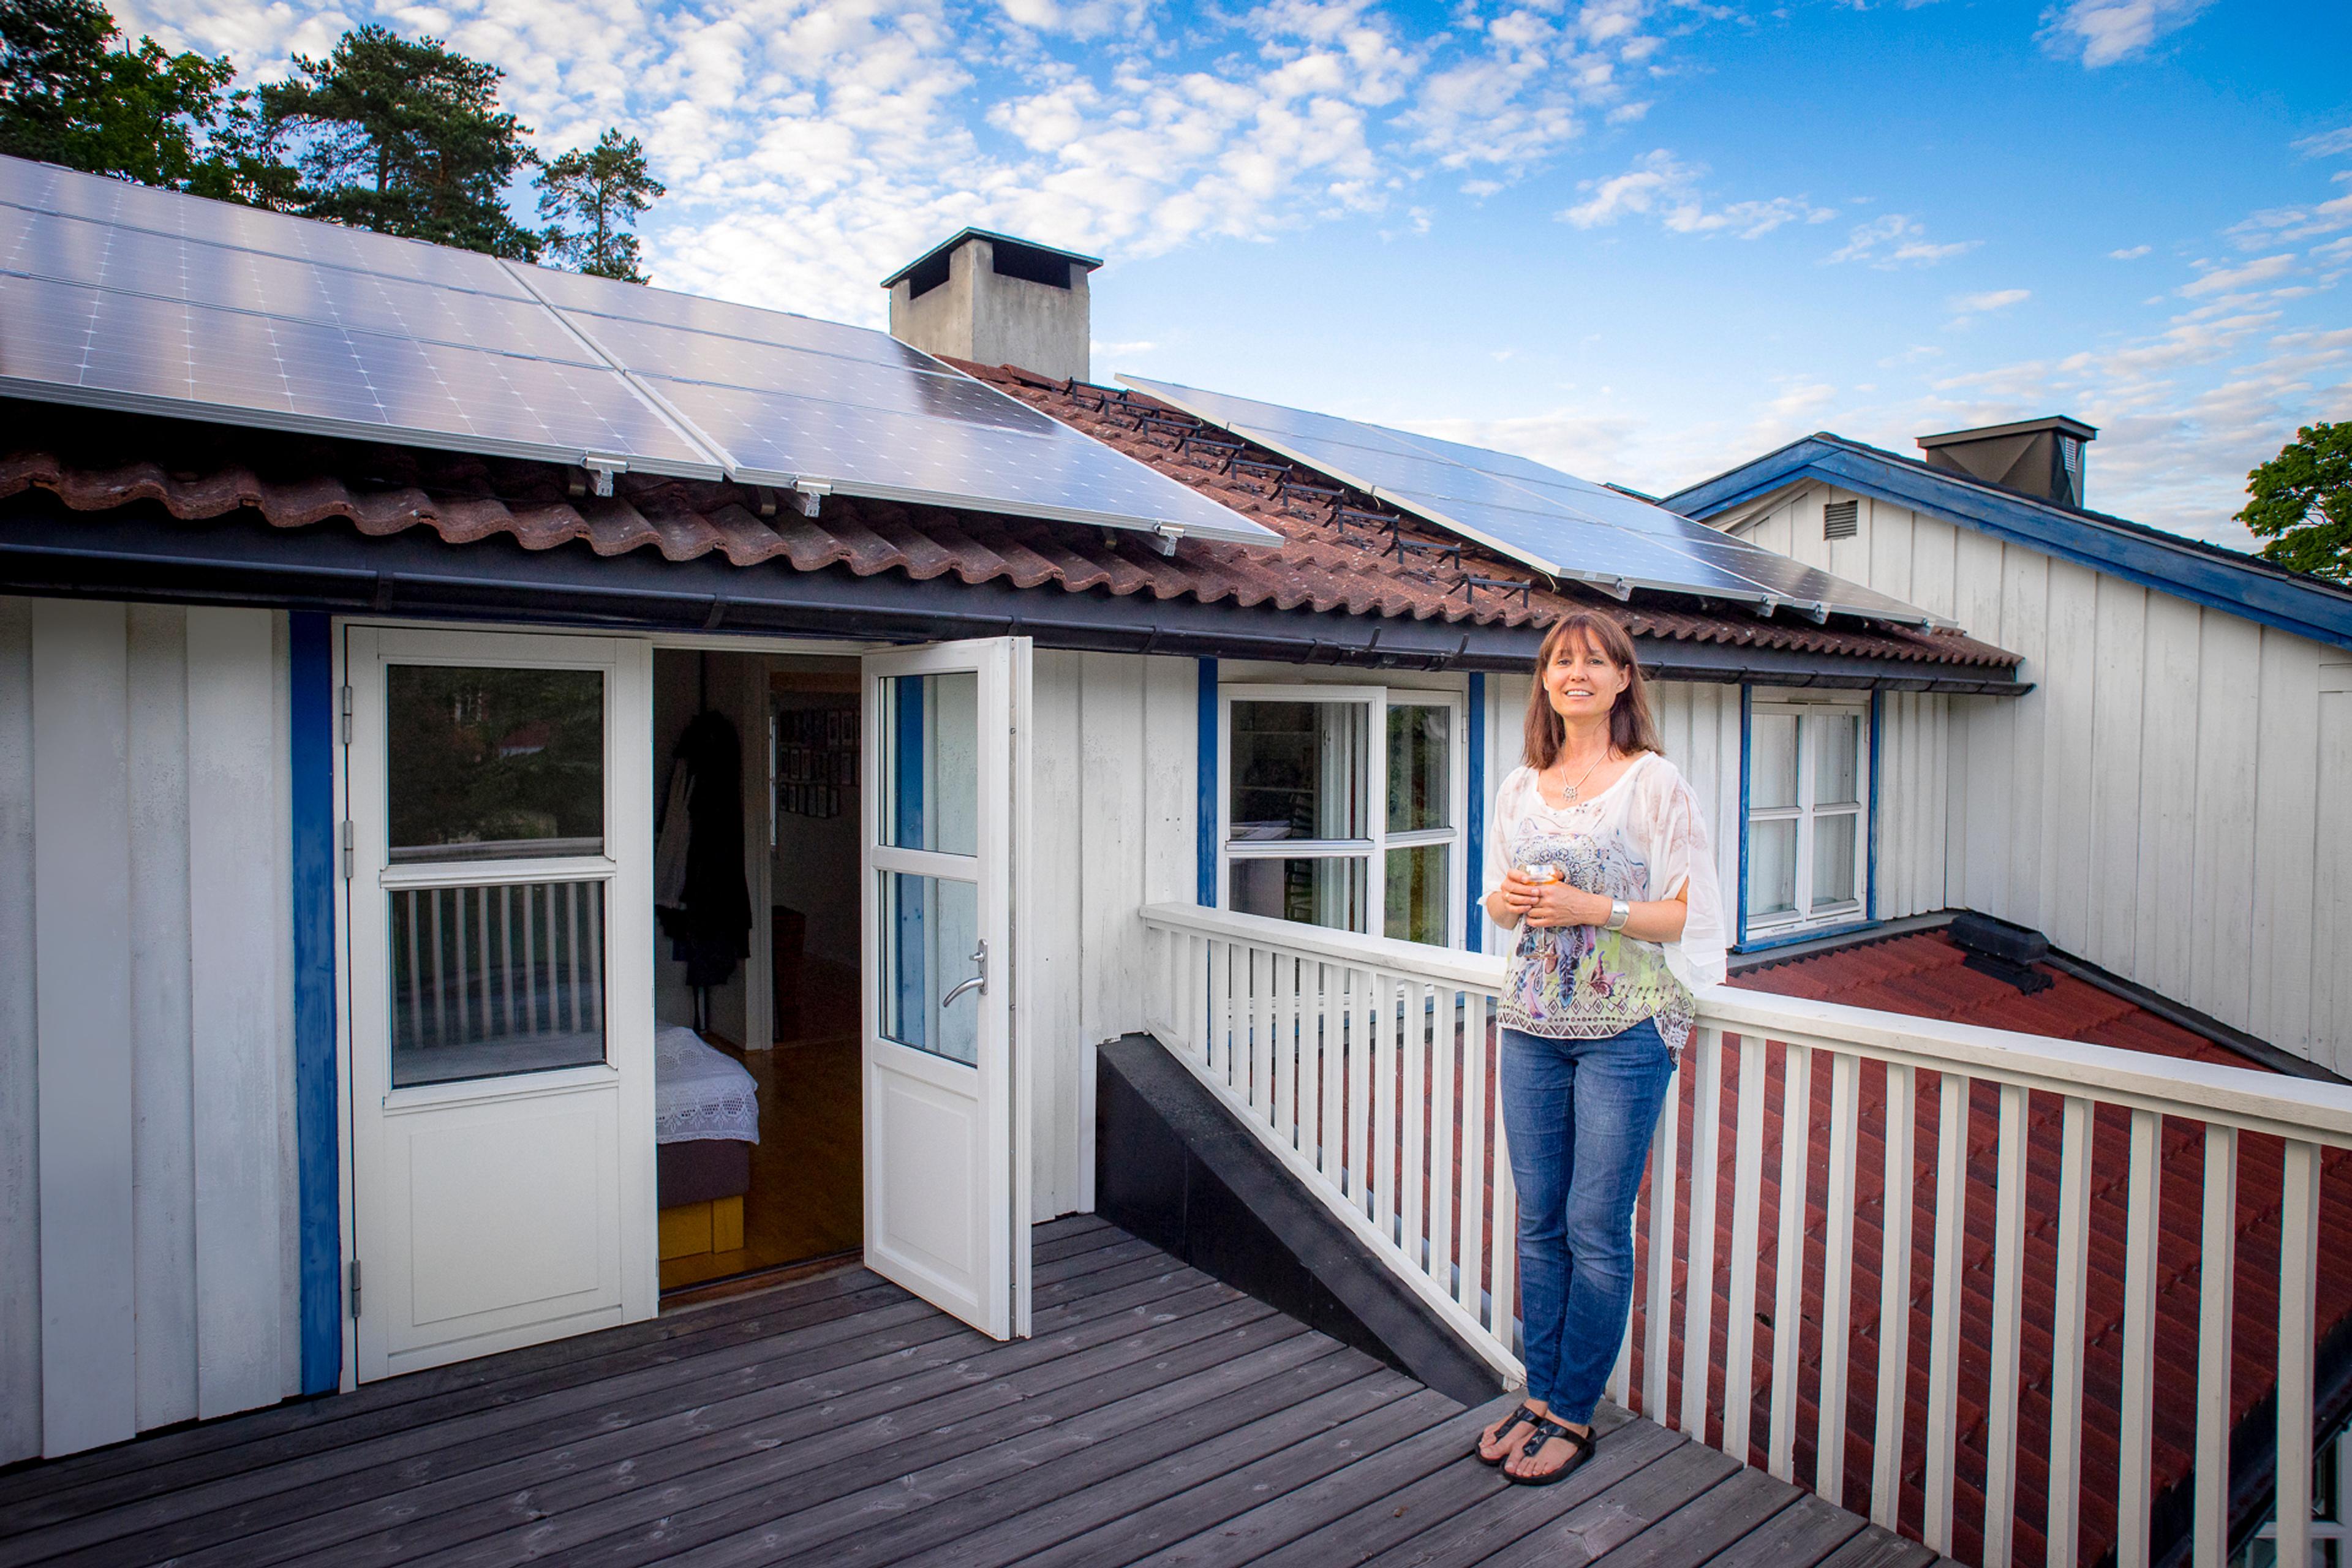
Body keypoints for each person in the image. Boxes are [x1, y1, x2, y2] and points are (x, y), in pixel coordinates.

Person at [1471, 609, 1727, 1485]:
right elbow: (1498, 908)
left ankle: (1574, 1413)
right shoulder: (1521, 785)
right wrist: (1511, 897)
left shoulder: (1653, 783)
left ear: (1624, 680)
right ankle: (1538, 1396)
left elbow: (1693, 914)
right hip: (1533, 1024)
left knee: (1594, 1227)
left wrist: (1600, 911)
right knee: (1539, 1223)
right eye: (1560, 661)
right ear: (1545, 682)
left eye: (1595, 661)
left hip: (1626, 1029)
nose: (1575, 672)